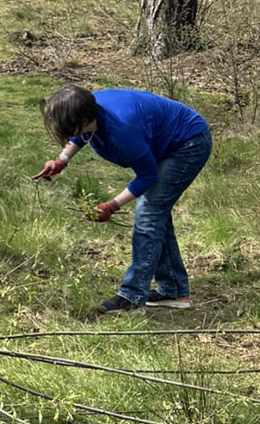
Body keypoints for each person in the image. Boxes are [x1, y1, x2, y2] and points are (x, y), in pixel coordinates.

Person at [33, 85, 212, 313]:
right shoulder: (89, 109)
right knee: (156, 212)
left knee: (148, 213)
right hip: (166, 139)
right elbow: (82, 133)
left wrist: (111, 205)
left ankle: (132, 297)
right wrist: (62, 159)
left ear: (84, 118)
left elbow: (147, 176)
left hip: (188, 143)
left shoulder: (123, 130)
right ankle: (174, 291)